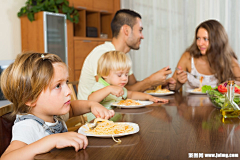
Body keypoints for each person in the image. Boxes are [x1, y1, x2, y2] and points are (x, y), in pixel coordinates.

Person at [0, 52, 114, 160]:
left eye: (67, 82)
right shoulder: (28, 126)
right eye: (58, 86)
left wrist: (91, 105)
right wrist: (51, 140)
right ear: (29, 98)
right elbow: (7, 158)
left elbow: (73, 108)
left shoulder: (54, 115)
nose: (69, 91)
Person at [78, 9, 175, 100]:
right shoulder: (103, 54)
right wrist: (150, 81)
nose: (142, 36)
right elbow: (112, 90)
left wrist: (157, 83)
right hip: (91, 116)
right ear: (126, 30)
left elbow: (131, 87)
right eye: (140, 30)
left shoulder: (124, 56)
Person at [86, 51, 169, 121]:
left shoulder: (118, 87)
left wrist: (149, 97)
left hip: (113, 123)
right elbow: (91, 100)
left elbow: (131, 94)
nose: (124, 79)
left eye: (126, 74)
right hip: (96, 125)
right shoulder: (101, 86)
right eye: (119, 75)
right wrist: (109, 89)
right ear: (105, 74)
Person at [172, 19, 240, 91]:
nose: (200, 43)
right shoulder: (187, 57)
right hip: (189, 102)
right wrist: (178, 83)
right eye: (198, 38)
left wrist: (229, 84)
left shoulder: (229, 60)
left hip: (216, 102)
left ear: (217, 41)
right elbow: (172, 87)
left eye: (205, 39)